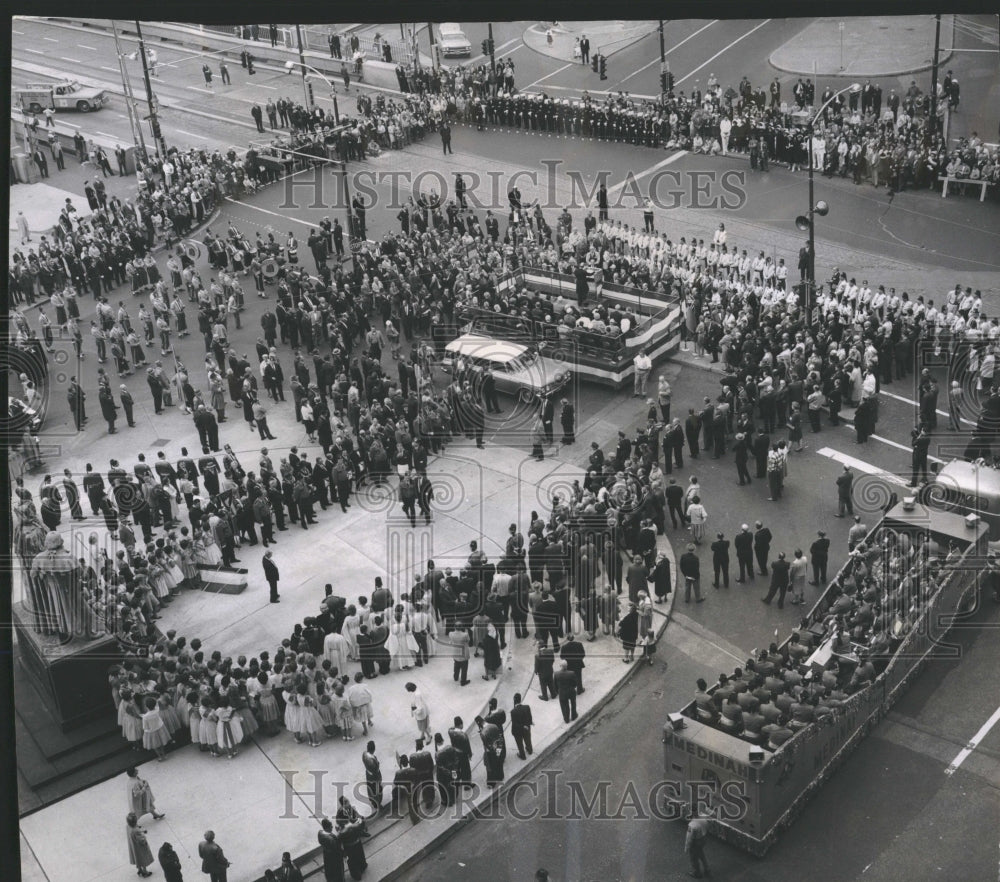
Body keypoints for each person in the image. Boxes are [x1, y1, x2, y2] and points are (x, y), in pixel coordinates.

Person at [126, 813, 154, 877]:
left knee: (137, 858)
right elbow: (142, 840)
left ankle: (139, 870)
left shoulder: (128, 827)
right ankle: (145, 872)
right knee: (142, 859)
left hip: (133, 846)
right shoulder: (136, 831)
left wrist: (140, 831)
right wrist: (143, 836)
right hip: (139, 848)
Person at [685, 812, 711, 879]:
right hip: (703, 838)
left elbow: (689, 839)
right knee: (701, 854)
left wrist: (686, 848)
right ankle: (707, 868)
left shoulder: (692, 825)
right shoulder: (703, 818)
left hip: (696, 842)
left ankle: (696, 873)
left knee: (693, 858)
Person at [510, 692, 533, 759]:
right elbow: (530, 717)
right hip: (526, 728)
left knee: (520, 744)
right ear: (520, 699)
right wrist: (529, 723)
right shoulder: (527, 707)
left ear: (514, 700)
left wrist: (522, 726)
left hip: (518, 731)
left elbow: (515, 724)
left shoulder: (513, 712)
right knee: (528, 740)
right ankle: (529, 750)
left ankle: (522, 755)